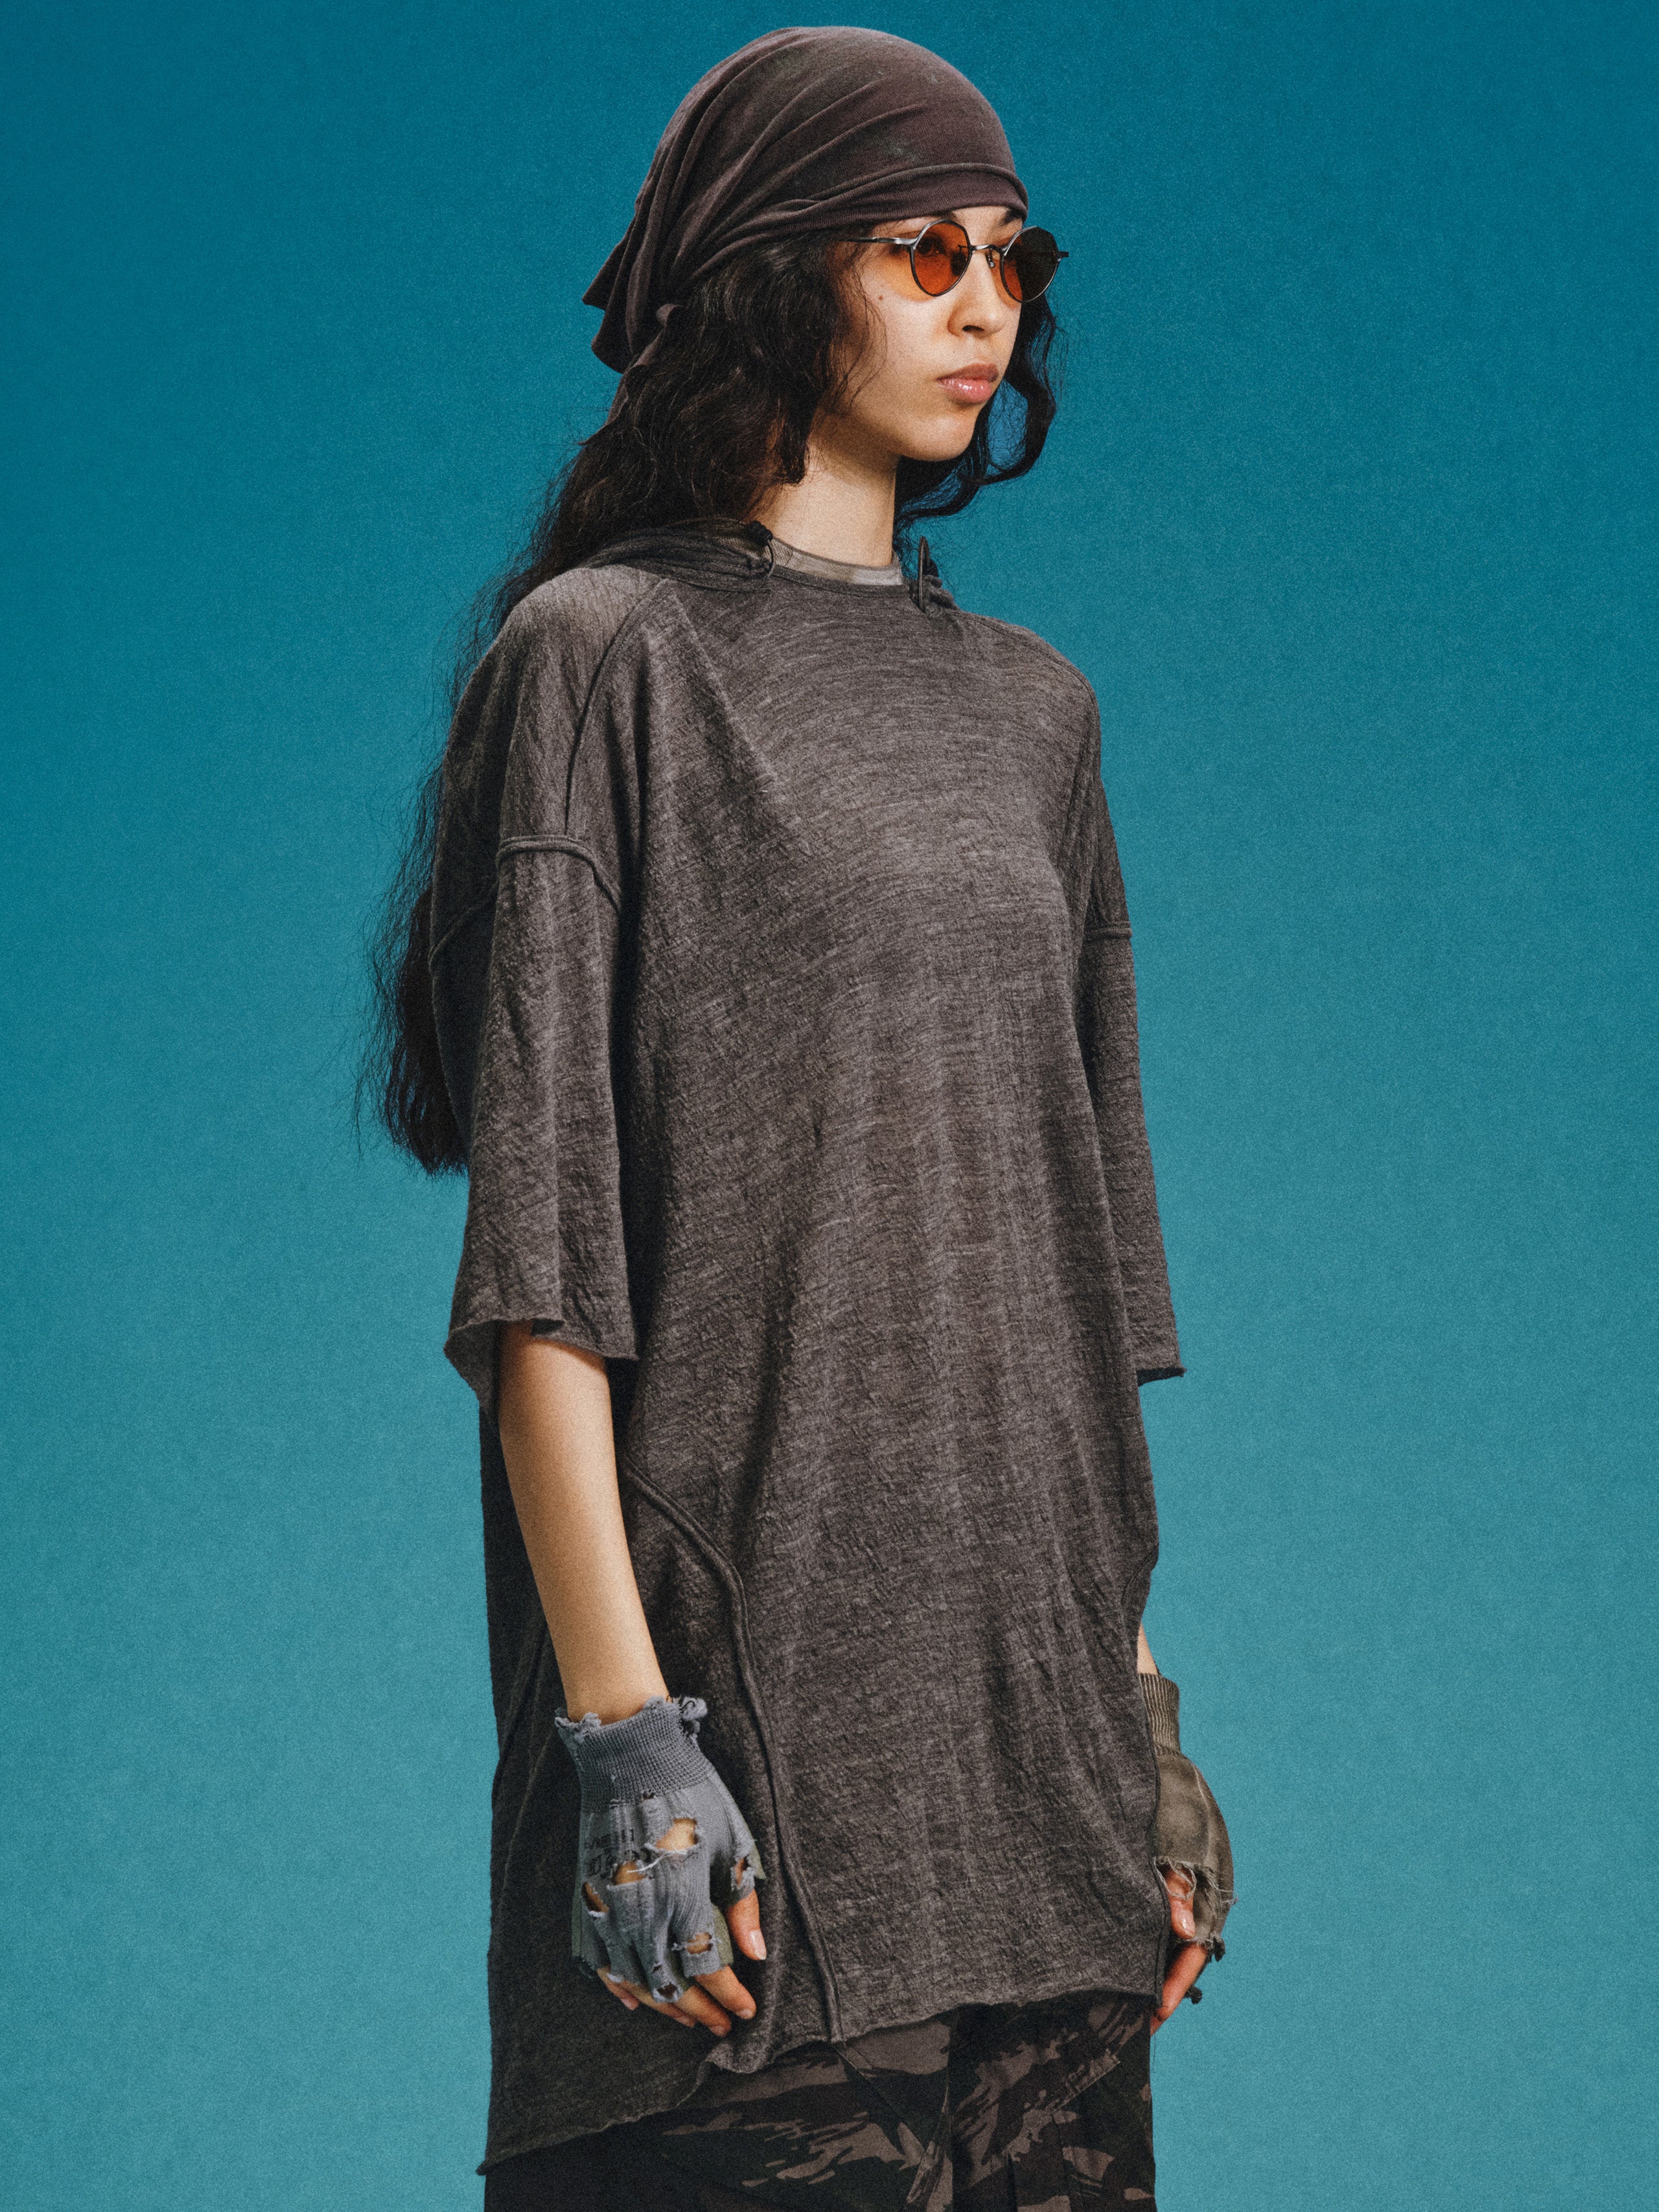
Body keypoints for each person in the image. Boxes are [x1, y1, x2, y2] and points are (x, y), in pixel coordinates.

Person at [366, 26, 1235, 2210]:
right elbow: (543, 1277)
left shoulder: (1038, 716)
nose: (984, 305)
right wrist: (624, 1741)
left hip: (1043, 1816)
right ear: (771, 278)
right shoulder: (605, 662)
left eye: (1014, 259)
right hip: (742, 1825)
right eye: (924, 250)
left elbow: (1066, 1286)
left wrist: (1139, 1711)